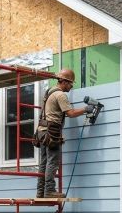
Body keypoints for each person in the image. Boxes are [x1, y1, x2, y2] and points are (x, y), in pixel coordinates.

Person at [35, 69, 95, 198]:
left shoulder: (50, 91)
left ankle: (40, 191)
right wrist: (86, 109)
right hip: (51, 132)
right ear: (64, 82)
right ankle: (49, 191)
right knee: (53, 161)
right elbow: (71, 113)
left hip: (41, 131)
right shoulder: (60, 95)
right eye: (71, 83)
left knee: (44, 162)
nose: (71, 86)